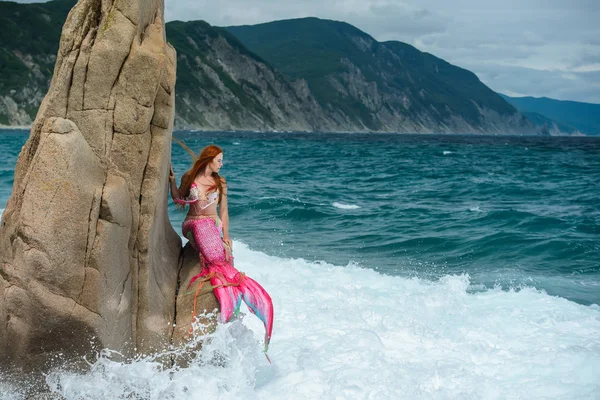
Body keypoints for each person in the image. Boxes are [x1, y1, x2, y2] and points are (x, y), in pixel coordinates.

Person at [169, 144, 274, 355]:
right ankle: (229, 288)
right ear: (208, 160)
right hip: (194, 223)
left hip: (213, 224)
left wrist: (226, 236)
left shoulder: (221, 182)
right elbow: (178, 198)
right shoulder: (190, 177)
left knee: (223, 253)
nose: (221, 164)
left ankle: (235, 292)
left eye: (221, 160)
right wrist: (172, 181)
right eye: (219, 160)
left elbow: (224, 212)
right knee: (214, 255)